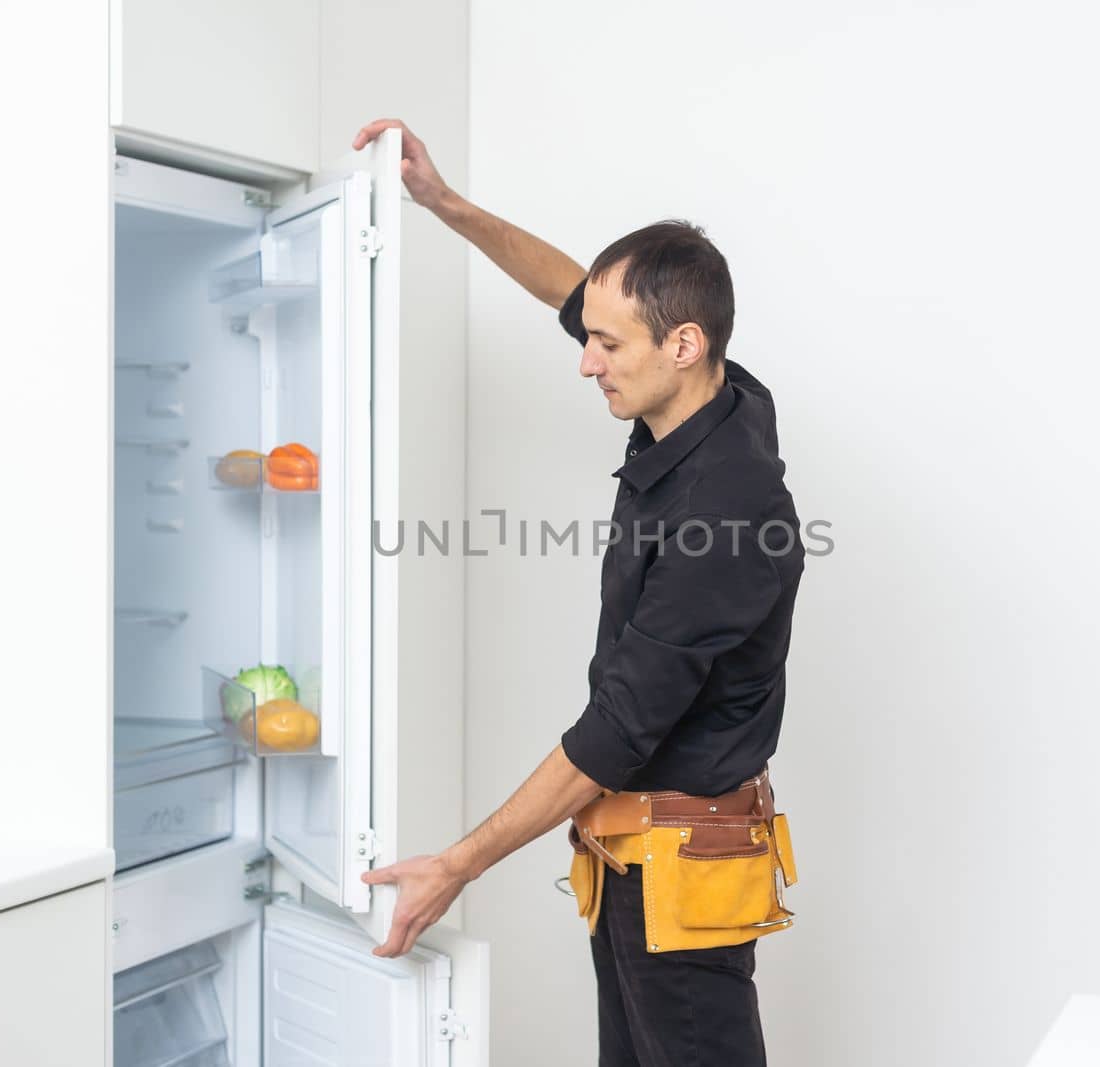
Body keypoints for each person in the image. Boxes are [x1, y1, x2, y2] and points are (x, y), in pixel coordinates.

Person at [353, 117, 805, 1067]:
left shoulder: (729, 510)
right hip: (632, 859)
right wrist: (446, 204)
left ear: (682, 343)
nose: (585, 360)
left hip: (683, 878)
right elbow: (572, 286)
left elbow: (616, 731)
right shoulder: (717, 391)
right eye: (588, 337)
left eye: (607, 345)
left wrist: (456, 867)